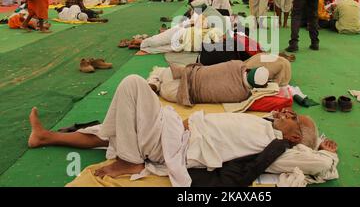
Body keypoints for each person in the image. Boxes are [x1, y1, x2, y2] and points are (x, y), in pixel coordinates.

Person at [27, 75, 338, 185]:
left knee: (132, 84)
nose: (286, 112)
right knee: (113, 126)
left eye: (293, 117)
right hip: (172, 129)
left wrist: (325, 154)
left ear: (294, 137)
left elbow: (315, 163)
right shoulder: (265, 125)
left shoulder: (277, 147)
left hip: (173, 146)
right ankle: (45, 136)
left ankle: (131, 160)